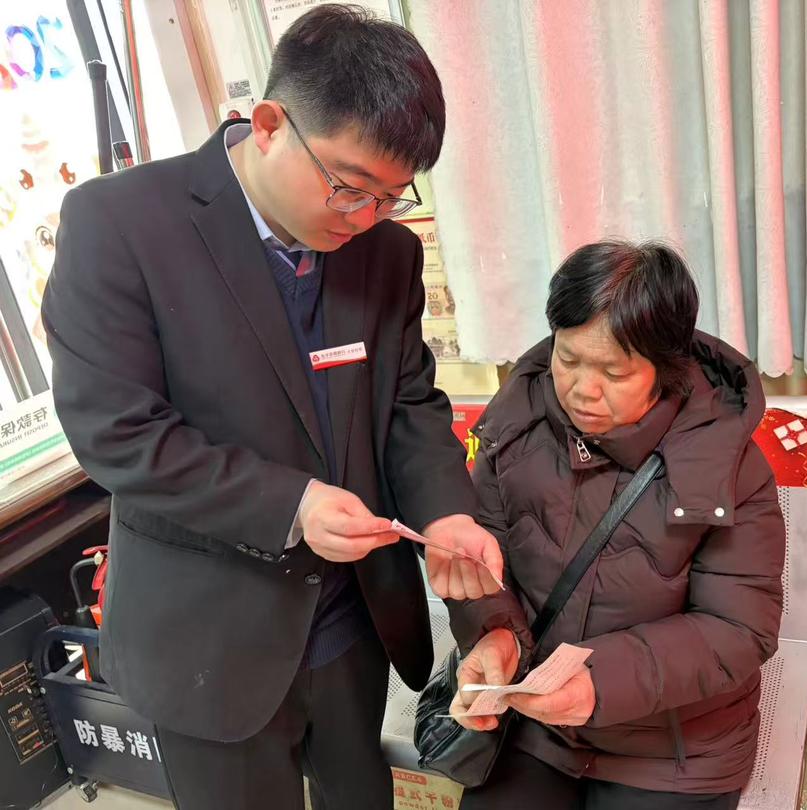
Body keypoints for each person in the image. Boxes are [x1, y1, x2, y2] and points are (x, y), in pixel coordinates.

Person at [41, 6, 501, 809]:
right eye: (347, 186)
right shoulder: (121, 224)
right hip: (209, 637)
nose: (364, 217)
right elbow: (117, 434)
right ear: (268, 125)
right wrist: (293, 505)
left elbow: (407, 404)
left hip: (351, 622)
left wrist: (448, 513)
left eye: (390, 196)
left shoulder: (385, 253)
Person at [445, 241, 785, 809]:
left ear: (665, 369)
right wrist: (495, 634)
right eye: (569, 359)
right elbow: (484, 560)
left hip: (674, 751)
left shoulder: (727, 464)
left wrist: (599, 683)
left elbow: (739, 627)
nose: (584, 389)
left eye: (614, 371)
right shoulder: (514, 427)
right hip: (538, 728)